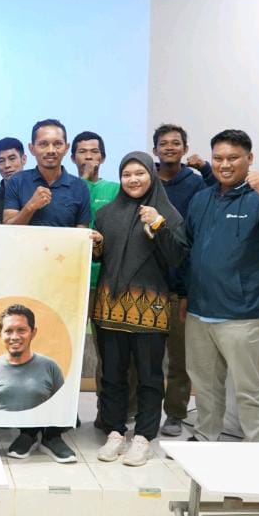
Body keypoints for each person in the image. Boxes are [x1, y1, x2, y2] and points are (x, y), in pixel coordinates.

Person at [184, 129, 259, 443]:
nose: (224, 164)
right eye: (218, 158)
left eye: (233, 158)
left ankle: (254, 448)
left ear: (249, 159)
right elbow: (189, 247)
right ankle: (205, 437)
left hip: (241, 315)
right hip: (199, 312)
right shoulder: (201, 199)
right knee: (205, 386)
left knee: (250, 389)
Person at [0, 120, 92, 463]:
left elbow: (81, 237)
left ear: (66, 147)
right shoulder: (18, 183)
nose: (50, 150)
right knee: (27, 354)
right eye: (43, 144)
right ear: (32, 148)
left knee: (61, 354)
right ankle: (27, 431)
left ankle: (54, 432)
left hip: (63, 285)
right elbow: (7, 230)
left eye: (57, 144)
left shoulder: (78, 188)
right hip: (24, 281)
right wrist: (31, 207)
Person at [91, 153, 188, 466]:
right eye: (127, 174)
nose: (132, 180)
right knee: (112, 375)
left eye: (140, 173)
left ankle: (144, 436)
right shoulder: (106, 214)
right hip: (109, 307)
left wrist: (158, 225)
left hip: (151, 308)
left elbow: (177, 257)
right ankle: (115, 432)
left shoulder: (167, 213)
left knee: (148, 376)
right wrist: (96, 244)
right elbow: (102, 258)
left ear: (152, 176)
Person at [152, 123, 209, 437]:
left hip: (180, 285)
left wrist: (187, 289)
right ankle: (137, 409)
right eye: (164, 143)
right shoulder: (146, 179)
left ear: (185, 148)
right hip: (148, 283)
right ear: (155, 150)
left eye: (176, 143)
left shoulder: (196, 184)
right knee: (142, 357)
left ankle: (175, 413)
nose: (170, 148)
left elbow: (197, 235)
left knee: (179, 357)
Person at [70, 131, 126, 433]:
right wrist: (81, 183)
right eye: (82, 151)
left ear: (103, 156)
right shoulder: (68, 187)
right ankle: (68, 409)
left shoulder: (116, 189)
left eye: (94, 151)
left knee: (108, 351)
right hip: (72, 280)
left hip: (106, 280)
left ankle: (108, 412)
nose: (89, 156)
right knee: (70, 347)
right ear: (72, 157)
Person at [0, 305, 69, 461]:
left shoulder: (50, 367)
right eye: (8, 331)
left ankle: (43, 437)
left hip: (38, 423)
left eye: (21, 330)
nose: (15, 337)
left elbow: (63, 404)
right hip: (1, 430)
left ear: (33, 332)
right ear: (0, 334)